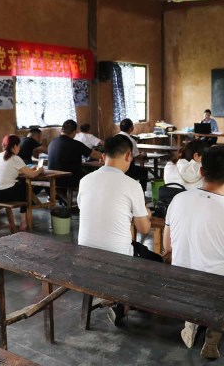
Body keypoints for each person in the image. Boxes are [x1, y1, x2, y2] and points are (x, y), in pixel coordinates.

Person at [164, 145, 224, 360]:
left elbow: (167, 247)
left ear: (201, 171)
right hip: (216, 292)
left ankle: (190, 322)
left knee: (195, 267)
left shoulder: (178, 199)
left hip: (179, 284)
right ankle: (214, 329)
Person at [77, 134, 151, 326]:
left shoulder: (85, 180)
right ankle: (127, 304)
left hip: (85, 255)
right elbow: (144, 229)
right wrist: (146, 214)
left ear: (103, 157)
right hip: (117, 259)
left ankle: (120, 303)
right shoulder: (132, 185)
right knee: (155, 261)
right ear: (128, 156)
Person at [0, 134, 45, 231]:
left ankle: (24, 221)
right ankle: (24, 221)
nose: (19, 148)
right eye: (19, 145)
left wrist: (25, 170)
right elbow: (32, 175)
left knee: (20, 186)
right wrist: (40, 170)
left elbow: (9, 170)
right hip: (5, 195)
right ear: (15, 146)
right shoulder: (15, 158)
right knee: (24, 187)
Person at [48, 120, 101, 189]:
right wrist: (108, 156)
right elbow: (94, 154)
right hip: (69, 179)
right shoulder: (76, 144)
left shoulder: (52, 142)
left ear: (62, 130)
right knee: (93, 176)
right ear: (74, 132)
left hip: (53, 179)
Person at [118, 118, 148, 191]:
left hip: (116, 167)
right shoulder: (130, 140)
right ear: (131, 128)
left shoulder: (115, 137)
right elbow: (137, 156)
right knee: (144, 171)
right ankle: (142, 192)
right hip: (128, 169)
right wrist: (143, 154)